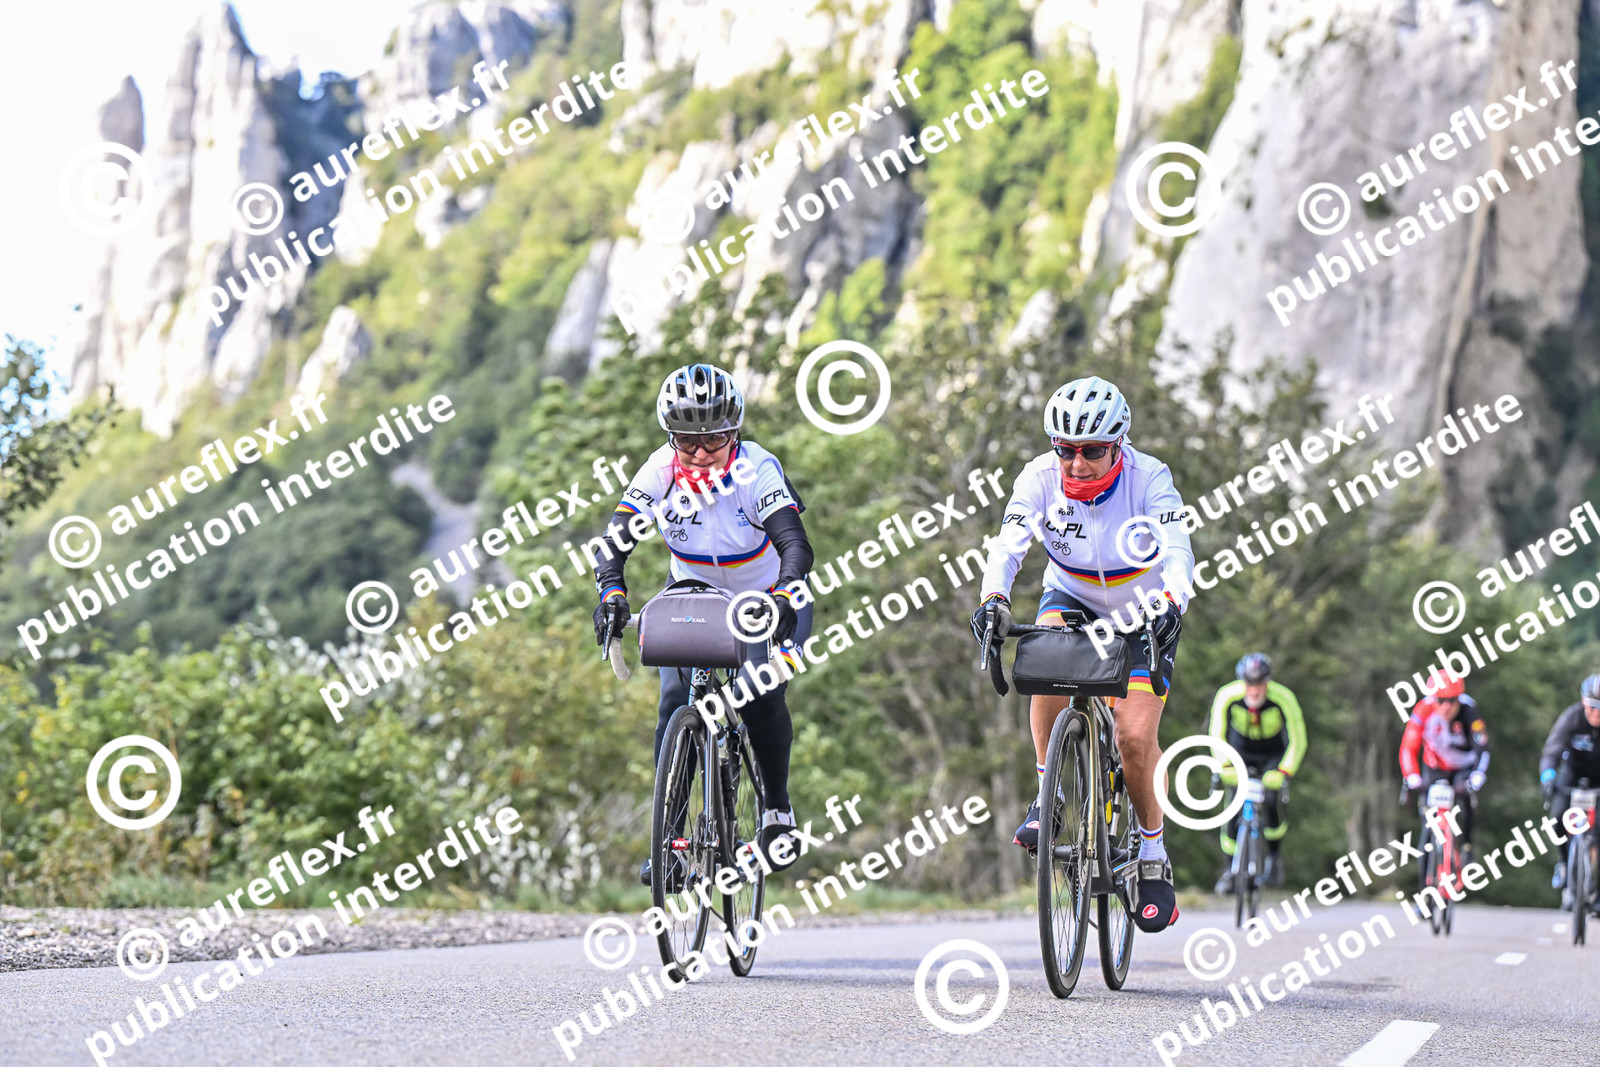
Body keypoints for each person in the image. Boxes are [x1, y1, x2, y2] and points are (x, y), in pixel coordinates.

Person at [971, 375, 1194, 933]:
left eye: (1092, 451)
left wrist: (1173, 600)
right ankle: (1047, 796)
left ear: (1117, 445)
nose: (1077, 463)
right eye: (1065, 449)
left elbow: (1177, 550)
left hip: (1143, 607)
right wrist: (994, 598)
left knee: (1134, 739)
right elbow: (1007, 547)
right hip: (1071, 595)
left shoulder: (1150, 478)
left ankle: (1151, 851)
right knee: (1043, 660)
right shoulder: (1038, 478)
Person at [590, 363, 815, 885]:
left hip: (768, 594)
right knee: (675, 701)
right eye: (686, 442)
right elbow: (613, 542)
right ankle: (669, 843)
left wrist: (785, 595)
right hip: (693, 592)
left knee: (760, 690)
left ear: (734, 433)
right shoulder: (660, 470)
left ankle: (776, 813)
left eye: (713, 440)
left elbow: (795, 545)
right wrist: (612, 593)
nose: (699, 454)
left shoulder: (757, 469)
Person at [1209, 652, 1306, 893]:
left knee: (1272, 800)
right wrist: (1224, 765)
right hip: (1239, 751)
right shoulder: (1227, 695)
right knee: (1233, 806)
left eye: (1259, 684)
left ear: (1267, 682)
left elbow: (1298, 739)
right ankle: (1230, 871)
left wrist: (1284, 771)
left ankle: (1274, 860)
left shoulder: (1283, 697)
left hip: (1272, 754)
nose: (1254, 691)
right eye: (1249, 684)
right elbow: (1216, 734)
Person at [1398, 670, 1488, 861]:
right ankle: (1427, 867)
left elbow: (1482, 747)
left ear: (1459, 699)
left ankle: (1467, 846)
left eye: (1452, 701)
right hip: (1435, 766)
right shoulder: (1422, 710)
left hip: (1464, 766)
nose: (1446, 706)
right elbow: (1408, 748)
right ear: (1433, 699)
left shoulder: (1470, 711)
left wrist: (1478, 775)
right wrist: (1412, 776)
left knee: (1465, 802)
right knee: (1428, 821)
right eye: (1440, 701)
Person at [1540, 673, 1600, 894]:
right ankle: (1564, 863)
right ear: (1584, 702)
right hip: (1572, 775)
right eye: (1592, 706)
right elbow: (1552, 750)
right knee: (1557, 816)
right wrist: (1547, 776)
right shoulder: (1572, 717)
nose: (1596, 712)